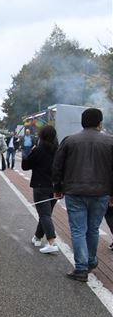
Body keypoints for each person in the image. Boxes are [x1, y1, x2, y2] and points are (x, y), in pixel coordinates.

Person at [52, 108, 113, 282]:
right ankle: (91, 260)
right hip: (101, 192)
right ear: (100, 123)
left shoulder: (70, 141)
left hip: (75, 191)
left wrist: (57, 187)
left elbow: (58, 166)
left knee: (78, 229)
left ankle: (81, 268)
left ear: (82, 122)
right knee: (93, 229)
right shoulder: (110, 142)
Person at [22, 125, 59, 254]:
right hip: (55, 187)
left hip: (40, 186)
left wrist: (28, 153)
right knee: (46, 214)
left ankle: (51, 241)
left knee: (44, 214)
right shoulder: (58, 150)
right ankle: (37, 237)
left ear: (41, 136)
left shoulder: (38, 150)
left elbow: (25, 166)